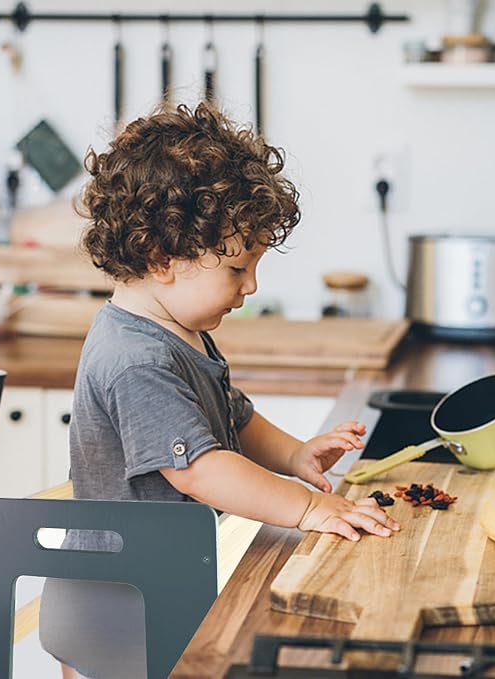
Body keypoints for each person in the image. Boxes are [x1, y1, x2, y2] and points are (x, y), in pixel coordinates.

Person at [40, 102, 398, 679]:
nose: (252, 285)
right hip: (117, 610)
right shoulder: (136, 359)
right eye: (237, 269)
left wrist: (295, 455)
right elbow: (200, 469)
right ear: (163, 259)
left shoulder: (180, 334)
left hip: (157, 584)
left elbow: (233, 420)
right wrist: (306, 507)